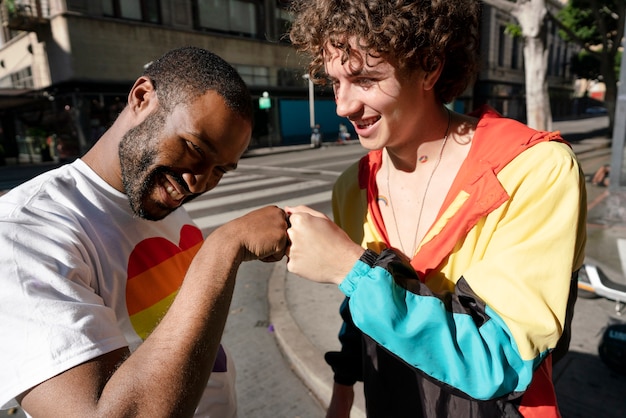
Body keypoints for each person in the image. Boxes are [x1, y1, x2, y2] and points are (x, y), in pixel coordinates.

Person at [285, 1, 586, 417]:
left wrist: (350, 269)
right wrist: (342, 390)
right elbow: (359, 315)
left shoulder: (534, 171)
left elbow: (500, 362)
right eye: (335, 82)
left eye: (366, 79)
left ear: (429, 66)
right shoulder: (352, 188)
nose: (343, 106)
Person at [0, 47, 289, 417]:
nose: (198, 182)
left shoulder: (160, 203)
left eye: (220, 170)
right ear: (142, 98)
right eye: (194, 148)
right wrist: (223, 248)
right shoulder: (25, 232)